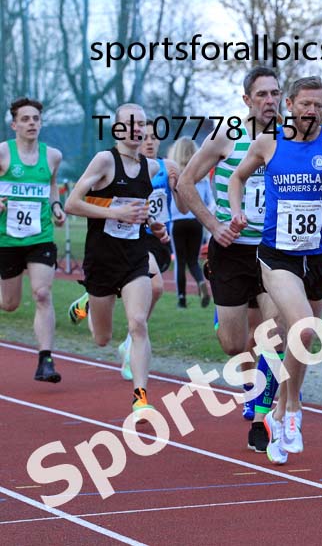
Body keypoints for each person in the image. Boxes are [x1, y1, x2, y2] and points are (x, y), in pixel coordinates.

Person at [228, 76, 322, 464]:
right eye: (305, 104)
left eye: (318, 105)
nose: (311, 111)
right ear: (290, 105)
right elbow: (237, 176)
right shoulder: (268, 142)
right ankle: (292, 409)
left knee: (302, 341)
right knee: (305, 328)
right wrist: (237, 209)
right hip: (278, 257)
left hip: (318, 258)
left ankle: (279, 414)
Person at [175, 66, 284, 454]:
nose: (270, 101)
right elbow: (184, 182)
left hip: (275, 250)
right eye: (262, 95)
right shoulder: (227, 136)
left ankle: (261, 415)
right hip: (231, 250)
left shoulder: (289, 139)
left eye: (275, 94)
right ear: (246, 101)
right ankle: (224, 316)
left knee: (274, 332)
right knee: (234, 343)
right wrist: (214, 224)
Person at [64, 103, 170, 415]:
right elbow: (72, 203)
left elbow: (140, 207)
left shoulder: (150, 168)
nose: (137, 129)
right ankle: (86, 303)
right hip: (102, 258)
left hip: (135, 257)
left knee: (138, 323)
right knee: (102, 338)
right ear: (118, 129)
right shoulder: (104, 161)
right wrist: (114, 212)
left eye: (142, 124)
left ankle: (141, 398)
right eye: (131, 123)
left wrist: (153, 224)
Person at [0, 97, 64, 383]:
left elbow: (52, 187)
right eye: (25, 119)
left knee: (42, 294)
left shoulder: (52, 156)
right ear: (14, 124)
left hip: (40, 236)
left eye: (36, 119)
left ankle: (45, 360)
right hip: (7, 238)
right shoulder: (2, 153)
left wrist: (56, 206)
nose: (31, 123)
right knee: (10, 304)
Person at [111, 118, 179, 382]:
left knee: (149, 287)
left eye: (154, 137)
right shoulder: (129, 169)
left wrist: (178, 184)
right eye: (145, 136)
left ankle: (129, 333)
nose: (149, 141)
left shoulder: (167, 166)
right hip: (136, 236)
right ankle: (133, 338)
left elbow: (182, 208)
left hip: (161, 239)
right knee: (157, 286)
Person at [167, 138, 211, 309]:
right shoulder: (201, 176)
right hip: (196, 221)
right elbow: (207, 200)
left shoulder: (174, 176)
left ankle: (181, 299)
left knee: (180, 261)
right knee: (193, 260)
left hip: (177, 222)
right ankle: (201, 281)